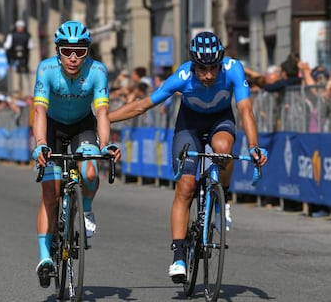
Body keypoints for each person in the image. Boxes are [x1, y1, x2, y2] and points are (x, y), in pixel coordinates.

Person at [109, 31, 267, 283]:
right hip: (189, 125)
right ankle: (179, 255)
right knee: (185, 186)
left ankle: (222, 196)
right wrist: (103, 119)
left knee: (224, 148)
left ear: (220, 63)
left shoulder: (234, 69)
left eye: (213, 68)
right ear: (193, 65)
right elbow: (142, 105)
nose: (208, 75)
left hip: (220, 120)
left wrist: (255, 146)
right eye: (202, 69)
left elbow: (245, 110)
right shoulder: (182, 76)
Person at [31, 20, 121, 288]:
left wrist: (105, 145)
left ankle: (88, 209)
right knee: (51, 192)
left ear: (87, 51)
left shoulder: (97, 71)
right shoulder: (46, 69)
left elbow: (102, 112)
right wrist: (39, 143)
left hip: (83, 125)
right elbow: (38, 111)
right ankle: (45, 256)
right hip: (53, 128)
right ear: (57, 51)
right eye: (67, 51)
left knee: (90, 170)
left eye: (80, 51)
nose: (73, 57)